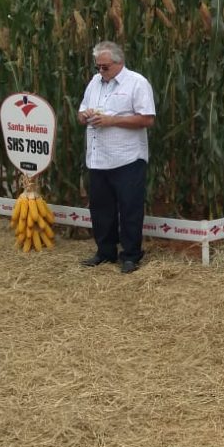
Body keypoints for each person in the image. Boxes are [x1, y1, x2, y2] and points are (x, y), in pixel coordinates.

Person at [77, 41, 156, 274]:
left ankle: (131, 255)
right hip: (97, 157)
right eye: (98, 67)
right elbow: (81, 111)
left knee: (130, 208)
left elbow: (147, 119)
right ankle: (105, 252)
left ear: (119, 63)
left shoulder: (137, 83)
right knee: (101, 209)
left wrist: (112, 120)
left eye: (105, 67)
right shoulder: (94, 82)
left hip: (127, 158)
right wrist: (85, 115)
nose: (100, 71)